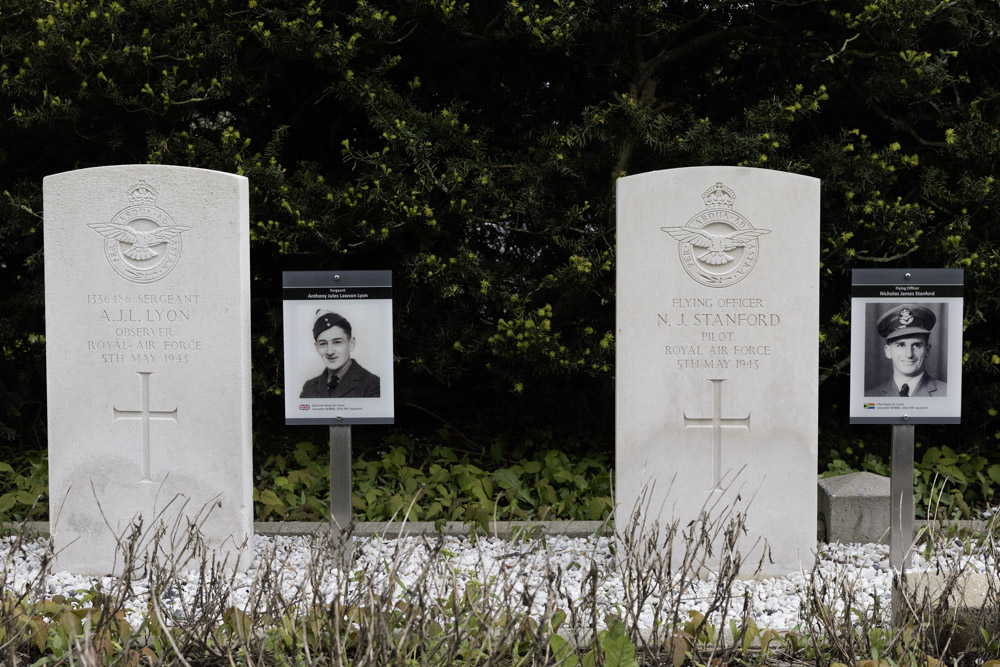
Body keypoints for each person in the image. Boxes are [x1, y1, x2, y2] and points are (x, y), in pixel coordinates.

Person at [866, 304, 947, 397]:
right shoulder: (870, 397)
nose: (909, 354)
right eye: (901, 345)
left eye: (916, 345)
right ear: (888, 351)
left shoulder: (947, 393)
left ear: (927, 350)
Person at [300, 310, 381, 398]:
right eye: (323, 344)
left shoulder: (373, 385)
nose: (330, 352)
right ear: (316, 347)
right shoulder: (309, 387)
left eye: (337, 342)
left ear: (351, 344)